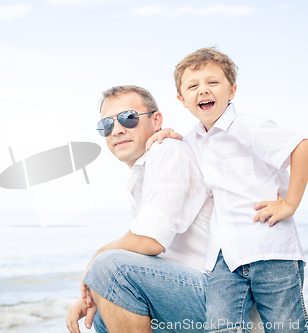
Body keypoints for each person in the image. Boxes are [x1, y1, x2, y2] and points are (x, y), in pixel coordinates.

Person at [147, 47, 308, 332]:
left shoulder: (248, 126)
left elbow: (302, 147)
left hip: (270, 249)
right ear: (181, 99)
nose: (203, 90)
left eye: (213, 82)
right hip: (225, 258)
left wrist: (289, 204)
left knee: (287, 327)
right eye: (193, 86)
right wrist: (167, 134)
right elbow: (184, 155)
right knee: (221, 327)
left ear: (232, 90)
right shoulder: (193, 140)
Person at [66, 85, 214, 333]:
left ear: (156, 120)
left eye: (129, 118)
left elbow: (149, 241)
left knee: (109, 266)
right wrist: (97, 295)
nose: (118, 130)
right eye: (107, 124)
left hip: (217, 292)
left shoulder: (167, 151)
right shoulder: (141, 175)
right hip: (186, 291)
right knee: (103, 314)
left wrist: (95, 264)